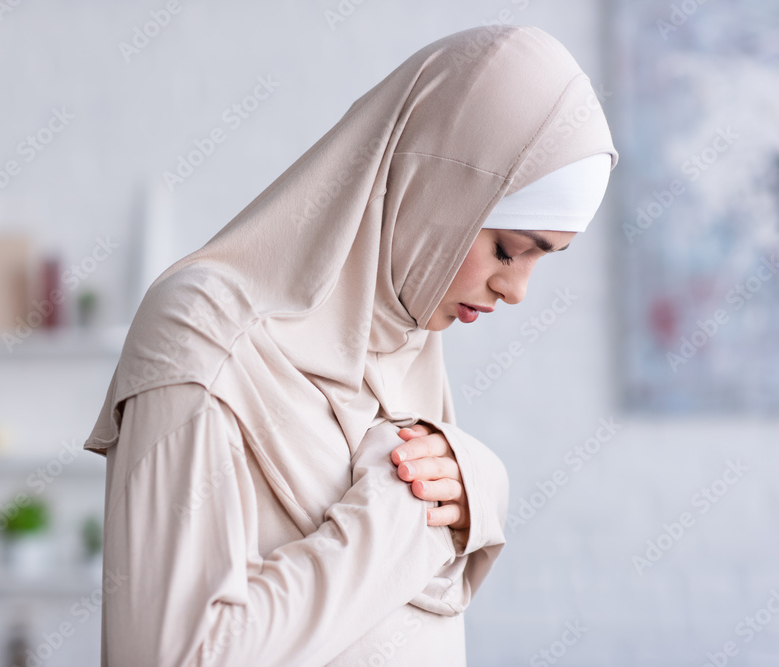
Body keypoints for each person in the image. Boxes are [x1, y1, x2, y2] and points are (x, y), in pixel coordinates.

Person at [84, 24, 618, 666]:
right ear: (434, 191)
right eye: (507, 248)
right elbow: (175, 657)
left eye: (544, 259)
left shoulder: (403, 346)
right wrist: (405, 518)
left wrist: (480, 487)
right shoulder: (203, 332)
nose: (517, 291)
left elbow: (406, 615)